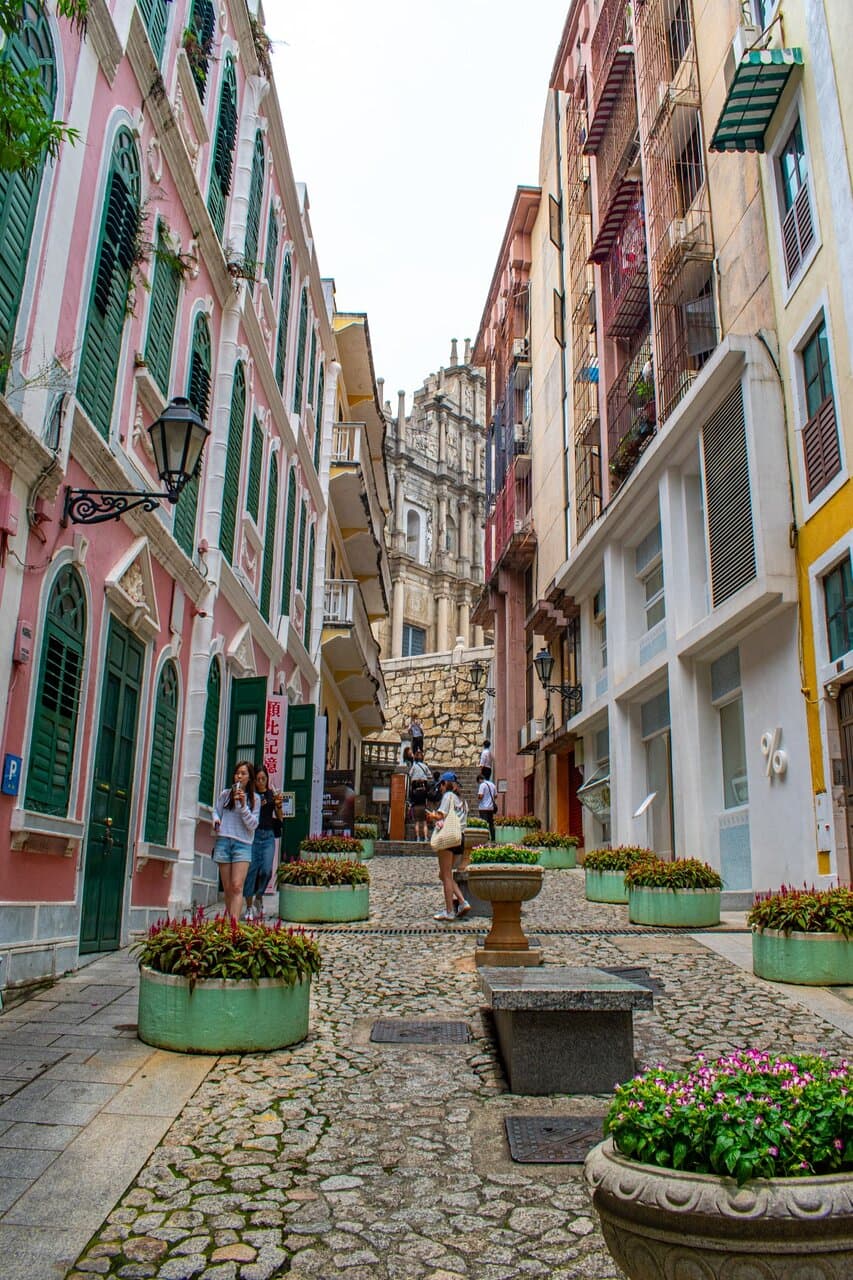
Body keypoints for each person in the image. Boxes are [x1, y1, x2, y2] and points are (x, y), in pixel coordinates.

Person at [212, 761, 261, 919]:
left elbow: (252, 824)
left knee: (237, 886)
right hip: (224, 841)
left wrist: (243, 805)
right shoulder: (225, 794)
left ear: (249, 778)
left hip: (243, 844)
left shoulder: (255, 799)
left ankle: (234, 927)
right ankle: (231, 921)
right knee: (227, 888)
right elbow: (216, 812)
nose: (239, 776)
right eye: (237, 773)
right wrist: (216, 821)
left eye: (243, 773)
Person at [426, 772, 470, 921]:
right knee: (445, 875)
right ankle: (462, 902)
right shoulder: (463, 801)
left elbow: (441, 815)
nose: (441, 789)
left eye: (442, 786)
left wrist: (432, 816)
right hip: (460, 838)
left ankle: (450, 910)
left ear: (445, 784)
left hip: (449, 837)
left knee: (445, 875)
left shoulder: (448, 797)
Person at [243, 768, 283, 919]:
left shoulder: (272, 794)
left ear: (267, 779)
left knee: (266, 870)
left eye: (263, 779)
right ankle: (248, 906)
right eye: (258, 779)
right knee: (251, 871)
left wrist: (278, 805)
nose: (260, 782)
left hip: (268, 835)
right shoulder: (250, 796)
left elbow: (280, 817)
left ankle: (258, 897)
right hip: (253, 835)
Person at [407, 748, 432, 842]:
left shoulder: (414, 766)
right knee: (424, 822)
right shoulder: (424, 766)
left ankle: (417, 837)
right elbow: (430, 775)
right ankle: (425, 837)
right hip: (423, 801)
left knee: (417, 822)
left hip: (415, 797)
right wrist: (423, 777)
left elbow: (409, 774)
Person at [477, 770, 498, 843]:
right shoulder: (492, 785)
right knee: (491, 823)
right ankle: (493, 838)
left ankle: (485, 838)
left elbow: (481, 796)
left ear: (480, 779)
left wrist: (478, 797)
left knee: (484, 823)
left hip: (483, 808)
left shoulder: (482, 785)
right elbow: (496, 796)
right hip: (491, 808)